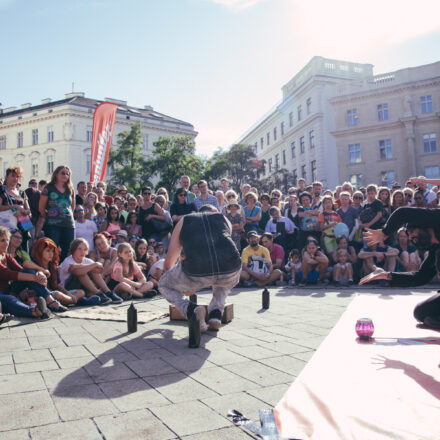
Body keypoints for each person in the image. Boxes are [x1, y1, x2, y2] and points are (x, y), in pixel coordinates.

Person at [159, 205, 242, 333]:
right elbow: (224, 252)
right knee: (222, 279)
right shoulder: (224, 219)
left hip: (197, 270)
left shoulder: (184, 220)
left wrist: (183, 286)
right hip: (232, 269)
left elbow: (168, 264)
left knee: (163, 284)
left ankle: (191, 310)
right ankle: (215, 314)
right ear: (215, 212)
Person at [360, 207, 440, 328]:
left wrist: (385, 232)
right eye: (411, 237)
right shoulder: (435, 250)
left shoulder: (436, 219)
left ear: (423, 225)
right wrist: (387, 275)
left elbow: (402, 213)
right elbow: (420, 277)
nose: (412, 238)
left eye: (412, 232)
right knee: (421, 312)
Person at [30, 237, 96, 307]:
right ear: (40, 251)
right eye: (48, 251)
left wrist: (67, 293)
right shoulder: (35, 265)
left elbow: (59, 285)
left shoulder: (52, 267)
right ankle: (77, 301)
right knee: (58, 294)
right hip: (46, 294)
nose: (51, 254)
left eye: (52, 251)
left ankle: (73, 300)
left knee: (81, 292)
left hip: (57, 292)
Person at [58, 238, 122, 305]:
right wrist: (94, 264)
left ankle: (108, 292)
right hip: (68, 289)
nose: (82, 252)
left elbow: (99, 270)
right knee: (81, 272)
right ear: (73, 249)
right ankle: (98, 293)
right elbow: (76, 272)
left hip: (83, 287)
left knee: (91, 270)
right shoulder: (68, 260)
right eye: (79, 249)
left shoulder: (86, 260)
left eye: (85, 249)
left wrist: (87, 266)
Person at [36, 166, 75, 261]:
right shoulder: (48, 188)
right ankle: (52, 272)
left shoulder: (70, 189)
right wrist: (50, 216)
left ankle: (65, 273)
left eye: (67, 174)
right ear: (56, 174)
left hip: (68, 224)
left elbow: (72, 207)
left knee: (68, 250)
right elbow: (41, 208)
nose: (65, 175)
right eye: (63, 173)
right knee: (51, 249)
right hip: (52, 225)